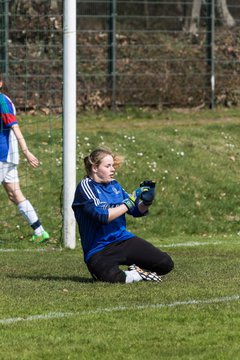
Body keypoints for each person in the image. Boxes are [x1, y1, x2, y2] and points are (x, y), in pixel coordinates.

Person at [72, 147, 174, 283]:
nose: (113, 169)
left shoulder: (115, 185)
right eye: (108, 166)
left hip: (123, 240)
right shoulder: (85, 187)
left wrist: (147, 201)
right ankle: (137, 274)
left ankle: (136, 270)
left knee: (165, 263)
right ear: (95, 168)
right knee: (113, 278)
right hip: (99, 249)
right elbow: (102, 216)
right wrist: (129, 203)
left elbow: (136, 211)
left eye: (113, 165)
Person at [0, 77, 49, 243]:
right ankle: (40, 231)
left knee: (15, 193)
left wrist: (27, 151)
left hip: (3, 156)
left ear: (0, 83)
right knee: (15, 194)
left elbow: (14, 127)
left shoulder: (2, 101)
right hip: (8, 158)